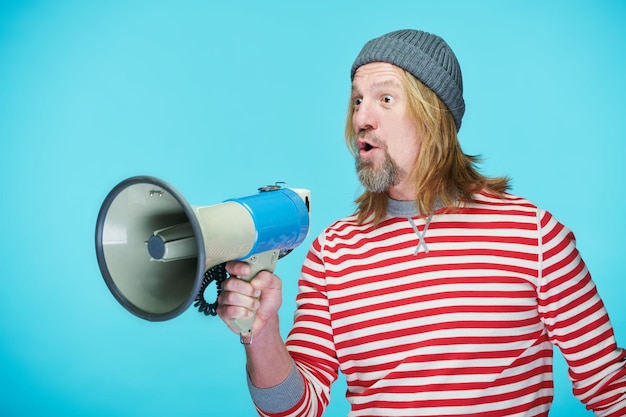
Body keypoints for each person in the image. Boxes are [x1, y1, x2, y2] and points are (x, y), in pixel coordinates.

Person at [217, 29, 626, 416]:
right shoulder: (333, 252)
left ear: (434, 115)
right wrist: (263, 331)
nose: (362, 117)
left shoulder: (533, 235)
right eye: (357, 100)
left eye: (386, 99)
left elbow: (611, 388)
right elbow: (296, 408)